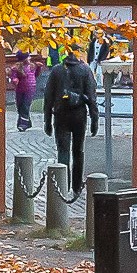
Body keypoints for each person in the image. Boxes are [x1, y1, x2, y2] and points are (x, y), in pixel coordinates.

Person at [46, 50, 96, 193]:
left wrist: (47, 121)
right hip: (79, 114)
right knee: (78, 151)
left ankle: (63, 184)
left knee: (63, 151)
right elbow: (92, 97)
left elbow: (48, 97)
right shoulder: (85, 70)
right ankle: (77, 185)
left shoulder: (57, 70)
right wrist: (94, 119)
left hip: (60, 114)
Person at [11, 49, 39, 131]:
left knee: (25, 106)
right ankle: (28, 122)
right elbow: (13, 76)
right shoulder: (16, 68)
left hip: (30, 89)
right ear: (24, 59)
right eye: (28, 56)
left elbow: (36, 74)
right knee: (19, 106)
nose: (30, 58)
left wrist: (39, 68)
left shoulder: (32, 66)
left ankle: (23, 125)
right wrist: (14, 80)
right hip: (19, 89)